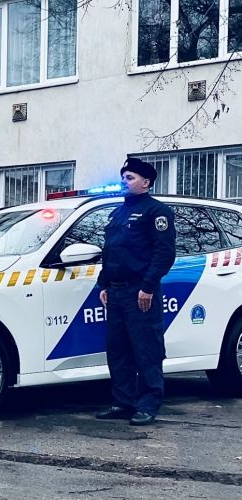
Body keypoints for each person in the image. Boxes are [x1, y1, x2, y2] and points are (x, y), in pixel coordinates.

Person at [95, 158, 176, 426]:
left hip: (140, 292)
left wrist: (148, 287)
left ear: (146, 182)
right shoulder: (118, 213)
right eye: (123, 177)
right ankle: (123, 402)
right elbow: (110, 252)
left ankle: (148, 405)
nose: (124, 181)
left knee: (146, 350)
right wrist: (104, 284)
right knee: (118, 351)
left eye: (129, 177)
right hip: (116, 293)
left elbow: (164, 253)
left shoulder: (157, 212)